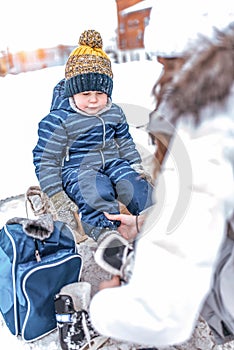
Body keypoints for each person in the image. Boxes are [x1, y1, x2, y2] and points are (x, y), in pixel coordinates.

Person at [89, 1, 234, 347]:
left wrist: (106, 305)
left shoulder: (212, 122)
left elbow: (162, 315)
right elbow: (207, 200)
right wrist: (147, 223)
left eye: (163, 62)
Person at [32, 29, 154, 242]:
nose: (93, 100)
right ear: (72, 92)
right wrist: (59, 199)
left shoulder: (114, 112)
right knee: (95, 189)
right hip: (77, 170)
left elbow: (125, 144)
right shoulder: (57, 120)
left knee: (134, 184)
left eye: (100, 93)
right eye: (85, 94)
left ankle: (152, 219)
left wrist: (136, 167)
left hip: (113, 163)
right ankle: (105, 234)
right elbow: (46, 161)